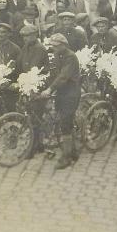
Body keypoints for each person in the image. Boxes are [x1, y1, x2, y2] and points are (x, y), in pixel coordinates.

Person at [41, 34, 82, 169]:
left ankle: (66, 157)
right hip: (61, 92)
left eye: (55, 46)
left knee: (65, 124)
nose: (53, 48)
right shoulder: (58, 55)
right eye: (52, 46)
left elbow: (64, 76)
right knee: (65, 123)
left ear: (63, 45)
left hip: (71, 93)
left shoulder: (70, 57)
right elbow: (55, 74)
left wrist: (50, 89)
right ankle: (73, 152)